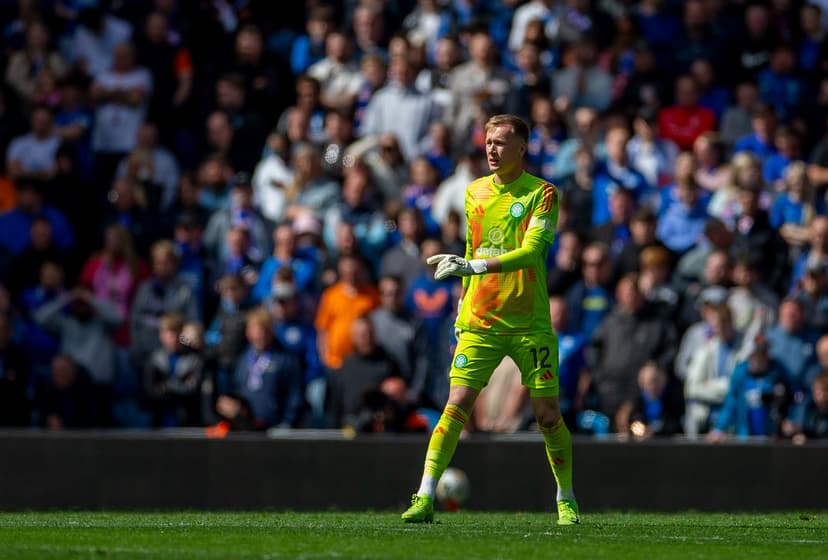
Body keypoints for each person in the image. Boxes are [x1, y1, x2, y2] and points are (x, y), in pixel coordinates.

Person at [401, 114, 579, 526]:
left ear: (522, 147)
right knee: (456, 404)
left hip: (528, 322)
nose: (492, 150)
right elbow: (473, 247)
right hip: (479, 320)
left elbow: (531, 252)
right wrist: (463, 300)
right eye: (488, 142)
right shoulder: (474, 192)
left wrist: (475, 267)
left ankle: (565, 497)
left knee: (547, 414)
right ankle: (424, 495)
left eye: (500, 142)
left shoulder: (542, 193)